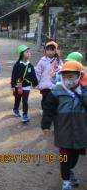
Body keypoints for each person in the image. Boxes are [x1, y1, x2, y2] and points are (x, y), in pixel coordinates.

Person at [42, 61, 87, 190]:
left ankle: (70, 170)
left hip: (80, 131)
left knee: (76, 155)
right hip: (63, 131)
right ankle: (66, 181)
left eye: (71, 76)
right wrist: (45, 125)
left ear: (79, 76)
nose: (68, 79)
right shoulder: (56, 92)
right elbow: (48, 109)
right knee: (65, 157)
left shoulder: (84, 92)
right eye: (66, 76)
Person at [11, 45, 38, 123]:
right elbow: (13, 75)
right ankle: (15, 109)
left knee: (25, 101)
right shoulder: (17, 65)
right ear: (21, 54)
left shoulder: (30, 66)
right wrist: (13, 85)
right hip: (18, 86)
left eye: (29, 52)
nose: (29, 53)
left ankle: (25, 115)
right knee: (17, 99)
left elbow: (33, 76)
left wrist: (36, 84)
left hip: (26, 86)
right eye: (27, 52)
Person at [36, 41, 63, 113]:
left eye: (52, 50)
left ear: (55, 51)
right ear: (45, 50)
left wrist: (58, 66)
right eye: (48, 50)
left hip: (55, 85)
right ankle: (43, 110)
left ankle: (53, 110)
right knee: (45, 98)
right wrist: (36, 82)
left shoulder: (58, 60)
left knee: (54, 98)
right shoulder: (42, 61)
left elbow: (62, 70)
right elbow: (38, 72)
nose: (49, 52)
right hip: (45, 84)